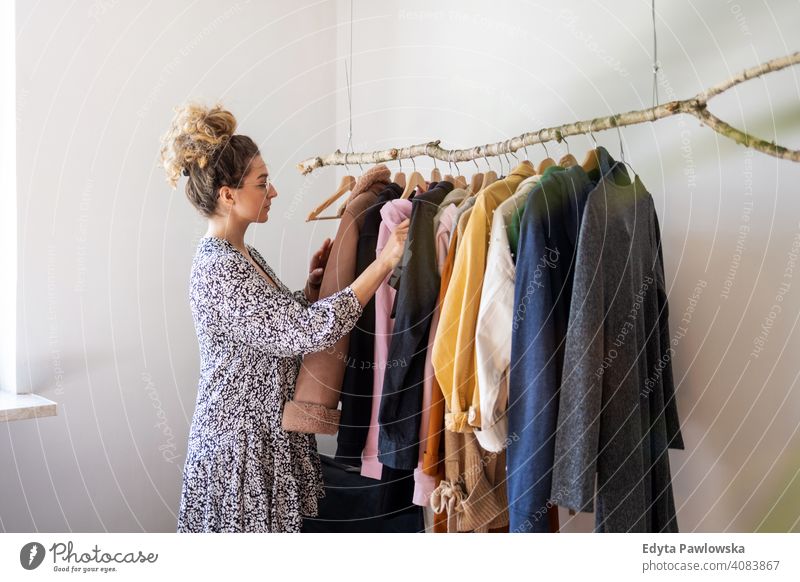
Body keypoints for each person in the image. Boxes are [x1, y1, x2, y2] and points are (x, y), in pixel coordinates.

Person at [159, 102, 409, 532]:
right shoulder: (219, 267)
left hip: (262, 442)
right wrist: (383, 263)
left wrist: (309, 291)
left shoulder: (243, 254)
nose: (272, 192)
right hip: (240, 454)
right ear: (228, 195)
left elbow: (270, 326)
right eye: (263, 183)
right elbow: (304, 333)